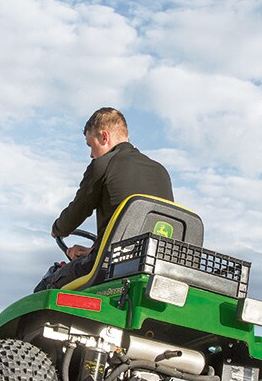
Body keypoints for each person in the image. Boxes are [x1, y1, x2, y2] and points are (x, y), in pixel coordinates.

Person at [36, 107, 173, 291]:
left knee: (47, 286)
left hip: (110, 268)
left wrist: (57, 228)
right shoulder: (160, 171)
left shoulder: (103, 165)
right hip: (152, 268)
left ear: (104, 137)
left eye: (90, 145)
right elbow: (134, 233)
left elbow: (79, 209)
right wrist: (93, 250)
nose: (91, 154)